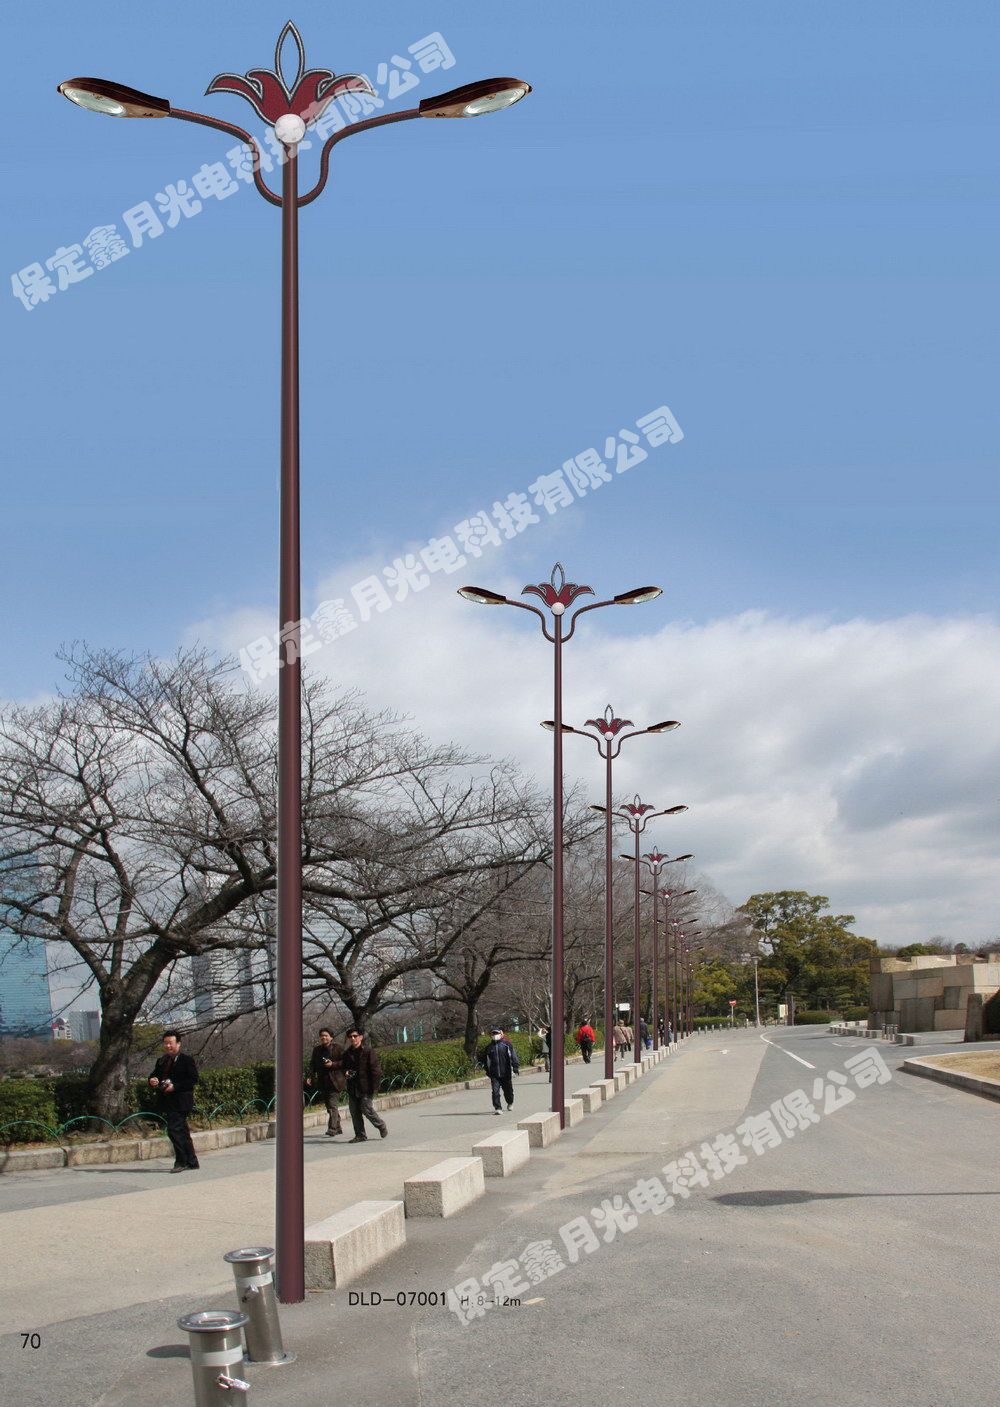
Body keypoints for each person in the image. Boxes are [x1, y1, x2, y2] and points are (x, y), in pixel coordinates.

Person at [148, 1030, 200, 1173]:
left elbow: (193, 1079)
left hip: (182, 1102)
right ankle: (192, 1161)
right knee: (182, 1131)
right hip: (168, 1101)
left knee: (174, 1130)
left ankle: (181, 1161)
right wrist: (153, 1080)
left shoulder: (186, 1060)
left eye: (170, 1043)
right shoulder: (162, 1061)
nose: (168, 1046)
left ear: (178, 1044)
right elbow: (154, 1076)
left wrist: (175, 1087)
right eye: (165, 1043)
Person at [340, 1028, 388, 1143]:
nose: (353, 1038)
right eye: (350, 1037)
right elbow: (343, 1067)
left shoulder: (368, 1051)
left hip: (366, 1086)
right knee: (354, 1111)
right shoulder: (346, 1054)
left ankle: (380, 1125)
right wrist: (345, 1072)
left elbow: (376, 1071)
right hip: (353, 1086)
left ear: (360, 1037)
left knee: (366, 1109)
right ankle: (360, 1135)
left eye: (355, 1036)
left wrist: (375, 1087)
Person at [306, 1026, 346, 1136]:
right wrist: (310, 1076)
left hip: (336, 1081)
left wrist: (332, 1064)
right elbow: (312, 1064)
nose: (323, 1037)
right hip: (323, 1081)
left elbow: (345, 1062)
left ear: (331, 1037)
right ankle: (338, 1127)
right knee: (329, 1107)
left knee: (332, 1105)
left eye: (326, 1035)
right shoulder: (317, 1050)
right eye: (322, 1036)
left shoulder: (338, 1048)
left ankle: (332, 1128)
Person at [481, 1027, 519, 1113]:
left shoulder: (507, 1045)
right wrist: (487, 1071)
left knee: (508, 1091)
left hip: (506, 1072)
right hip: (494, 1074)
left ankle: (510, 1102)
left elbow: (513, 1056)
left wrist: (515, 1066)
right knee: (495, 1092)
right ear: (491, 1035)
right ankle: (498, 1108)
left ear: (500, 1034)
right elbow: (486, 1061)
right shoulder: (489, 1048)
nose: (495, 1035)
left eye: (496, 1033)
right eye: (493, 1034)